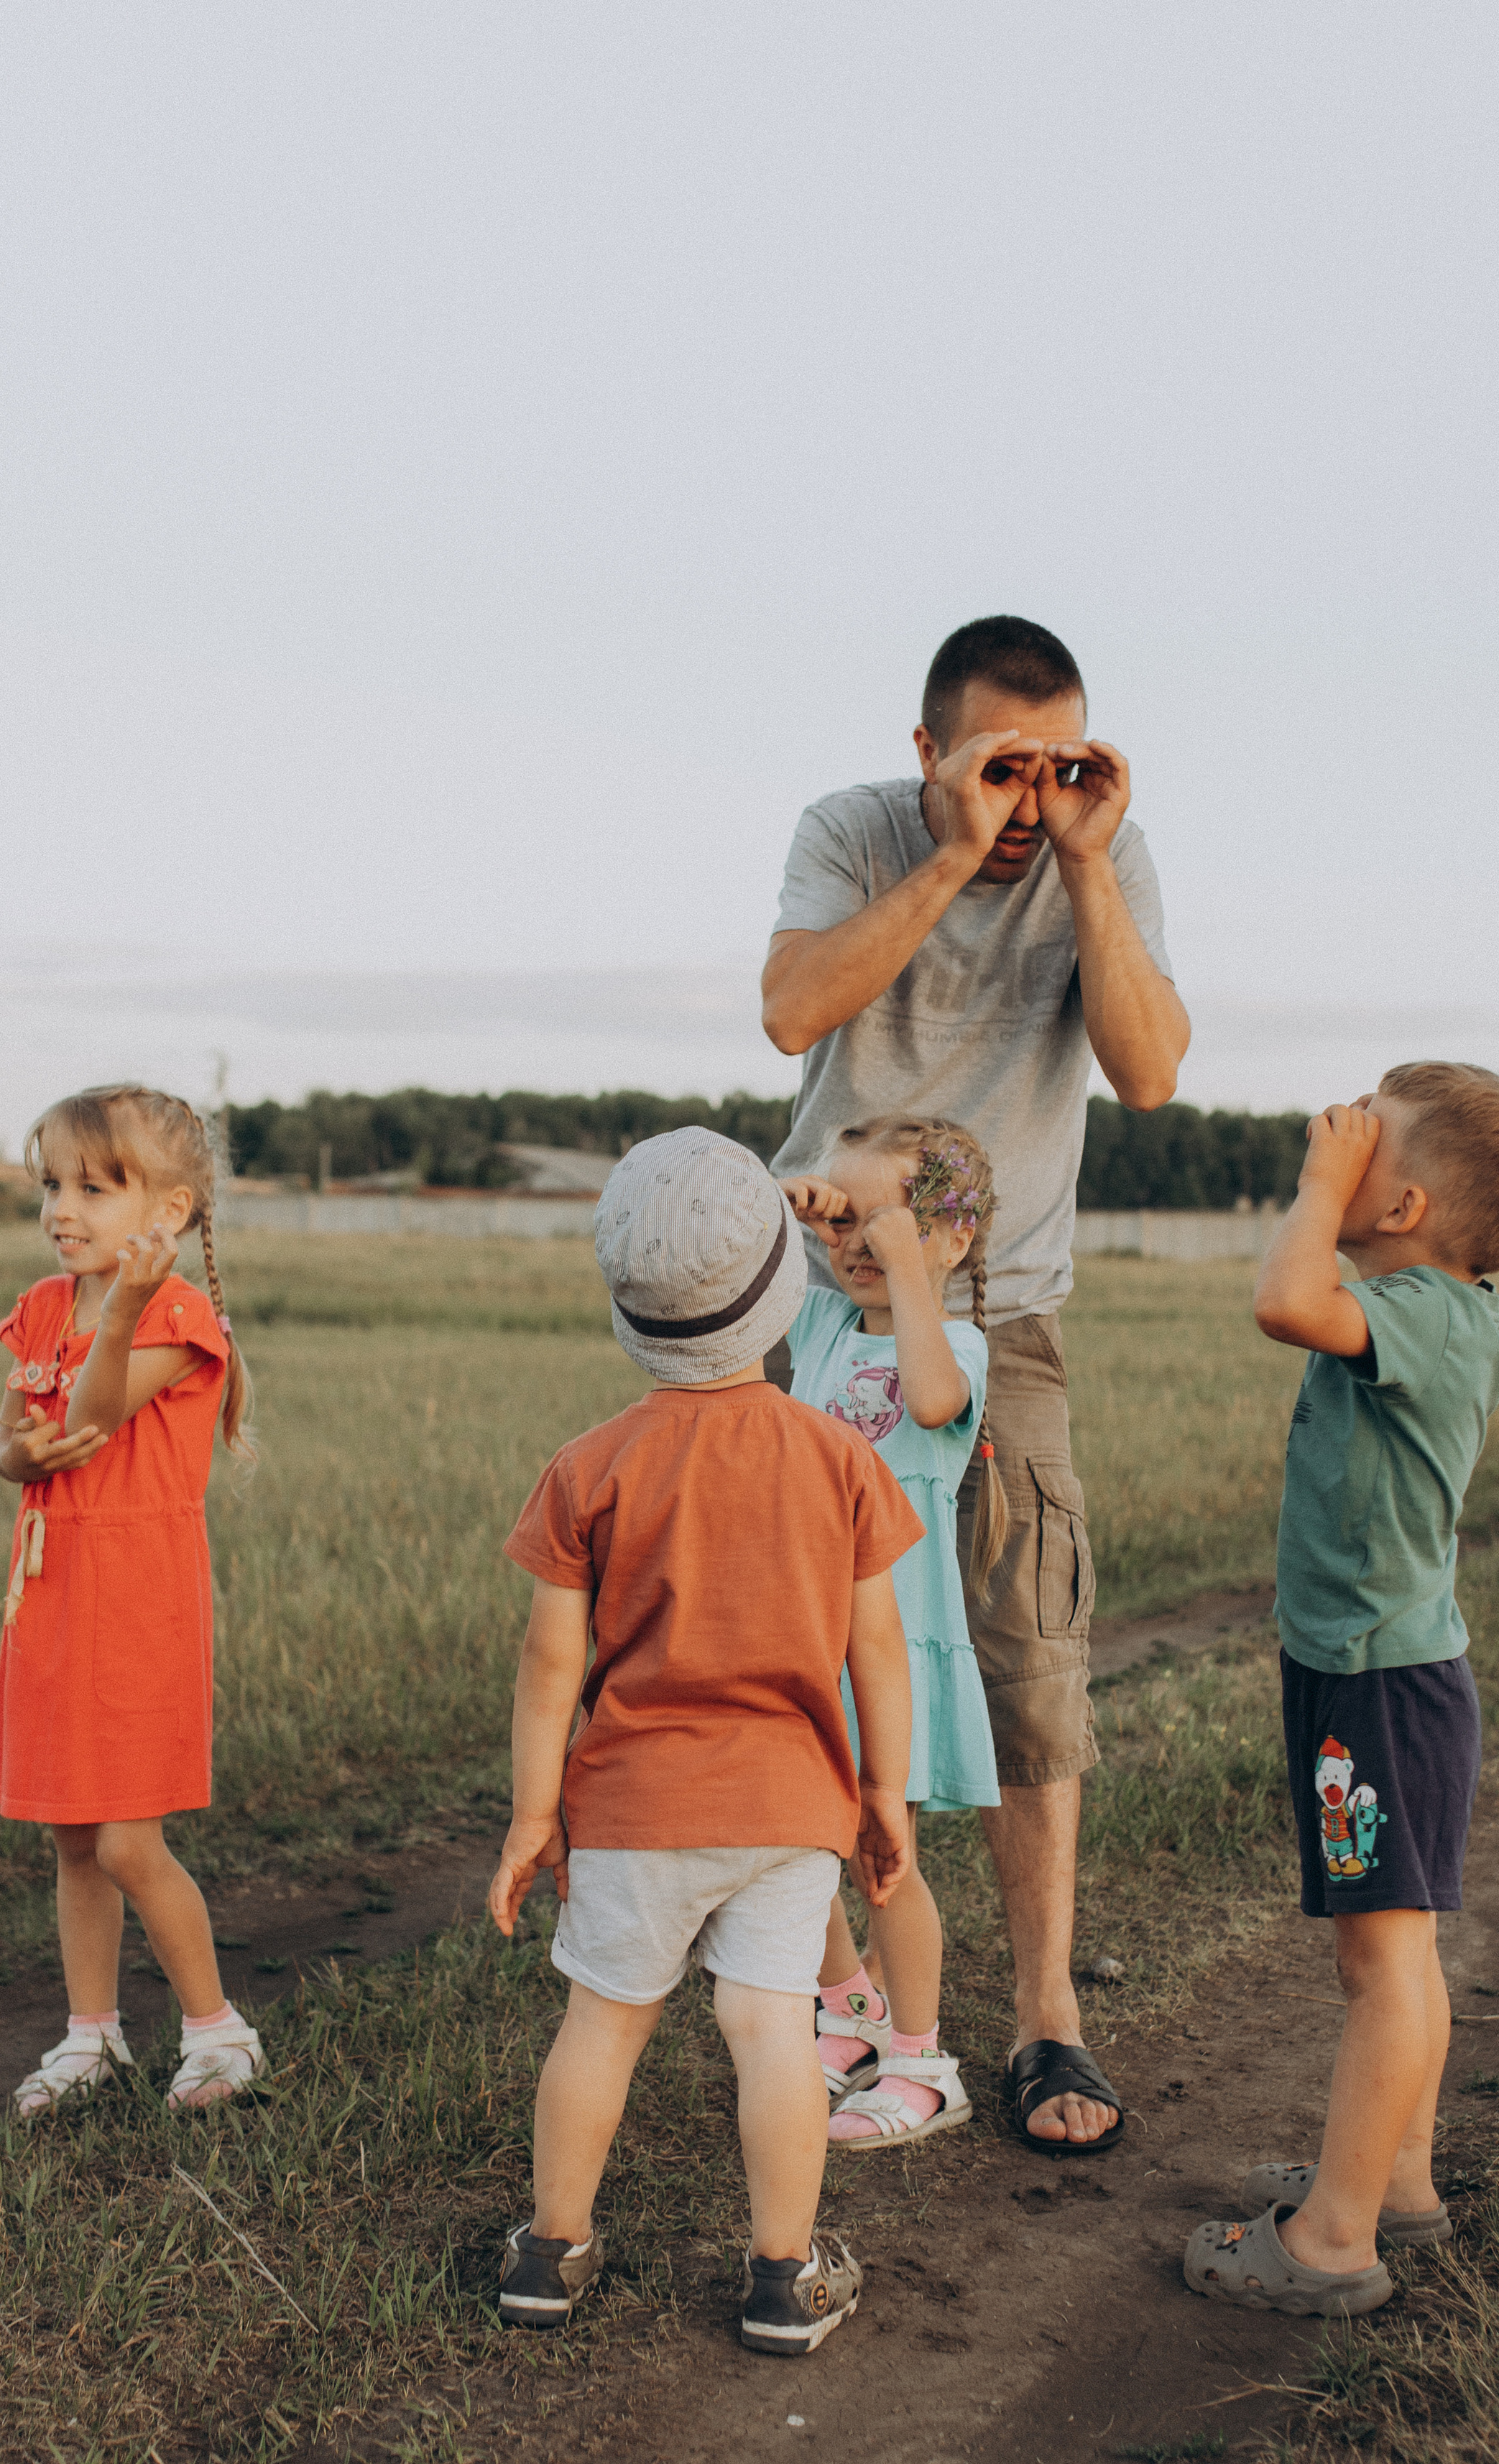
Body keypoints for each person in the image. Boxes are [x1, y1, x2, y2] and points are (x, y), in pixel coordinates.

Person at [762, 614, 1190, 2153]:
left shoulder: (1095, 854)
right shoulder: (855, 829)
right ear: (927, 749)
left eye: (1059, 762)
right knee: (787, 1660)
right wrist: (948, 857)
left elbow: (1145, 1073)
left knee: (1026, 1658)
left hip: (1002, 1320)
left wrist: (1081, 859)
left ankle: (1045, 2022)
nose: (1029, 795)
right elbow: (792, 1010)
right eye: (1000, 767)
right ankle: (822, 1991)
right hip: (818, 1310)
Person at [486, 1128, 926, 2355]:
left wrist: (536, 1814)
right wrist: (884, 1792)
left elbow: (549, 1667)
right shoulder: (838, 1457)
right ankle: (783, 2276)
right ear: (785, 1286)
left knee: (605, 2021)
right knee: (771, 2030)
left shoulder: (589, 1468)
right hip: (790, 1809)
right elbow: (875, 1652)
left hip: (632, 1806)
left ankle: (550, 2251)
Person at [1183, 1064, 1499, 2317]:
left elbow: (1285, 1299)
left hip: (1382, 1690)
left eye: (1367, 1139)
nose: (1339, 1137)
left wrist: (1311, 1186)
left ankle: (1334, 2241)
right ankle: (1395, 2179)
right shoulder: (1427, 1305)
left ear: (1401, 1203)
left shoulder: (1433, 1315)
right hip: (1374, 1673)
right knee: (1399, 1952)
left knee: (1383, 1967)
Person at [0, 1086, 267, 2116]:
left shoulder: (177, 1318)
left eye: (97, 1188)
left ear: (169, 1214)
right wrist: (11, 1448)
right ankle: (91, 2035)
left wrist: (125, 1313)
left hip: (137, 1598)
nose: (65, 1208)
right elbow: (12, 1437)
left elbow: (94, 1416)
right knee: (68, 1832)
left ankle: (217, 2031)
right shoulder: (44, 1305)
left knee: (127, 1841)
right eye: (52, 1185)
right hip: (52, 1592)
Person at [780, 1115, 1016, 2151]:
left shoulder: (951, 1342)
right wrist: (804, 1206)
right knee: (796, 1841)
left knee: (885, 1857)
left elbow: (929, 1400)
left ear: (949, 1241)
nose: (854, 1242)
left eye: (882, 1221)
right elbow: (752, 1276)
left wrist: (904, 1257)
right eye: (843, 1219)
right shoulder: (826, 1331)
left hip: (895, 1647)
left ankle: (923, 2061)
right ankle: (849, 2004)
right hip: (806, 1633)